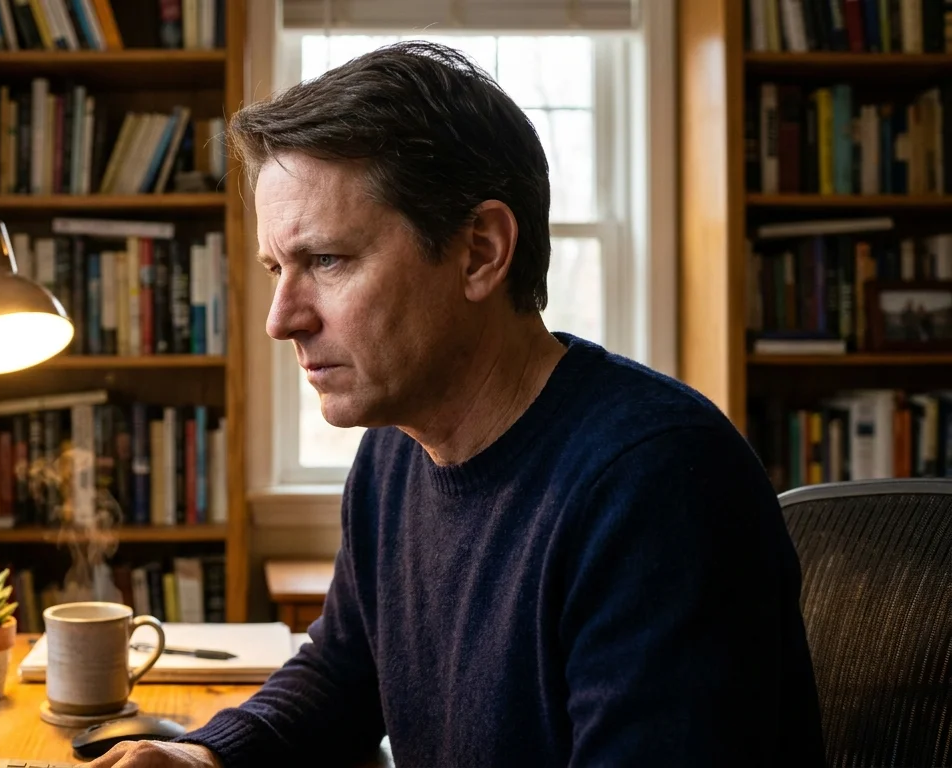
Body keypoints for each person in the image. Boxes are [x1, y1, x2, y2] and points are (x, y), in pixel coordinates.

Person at [81, 41, 825, 768]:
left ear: (479, 251)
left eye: (326, 260)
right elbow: (343, 673)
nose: (282, 318)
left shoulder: (658, 483)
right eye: (278, 268)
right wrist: (200, 754)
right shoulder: (396, 450)